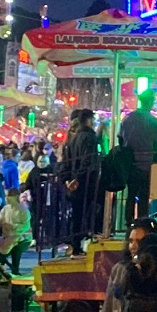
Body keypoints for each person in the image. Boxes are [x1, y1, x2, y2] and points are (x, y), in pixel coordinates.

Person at [59, 109, 101, 254]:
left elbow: (65, 162)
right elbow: (88, 161)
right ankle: (84, 242)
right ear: (88, 120)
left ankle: (75, 244)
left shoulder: (72, 139)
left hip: (73, 185)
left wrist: (67, 180)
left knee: (76, 216)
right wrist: (78, 179)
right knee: (88, 213)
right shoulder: (89, 138)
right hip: (86, 183)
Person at [118, 100, 157, 226]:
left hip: (130, 162)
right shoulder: (152, 120)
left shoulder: (127, 119)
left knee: (131, 194)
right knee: (144, 195)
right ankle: (142, 222)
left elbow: (121, 138)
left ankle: (128, 222)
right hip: (147, 162)